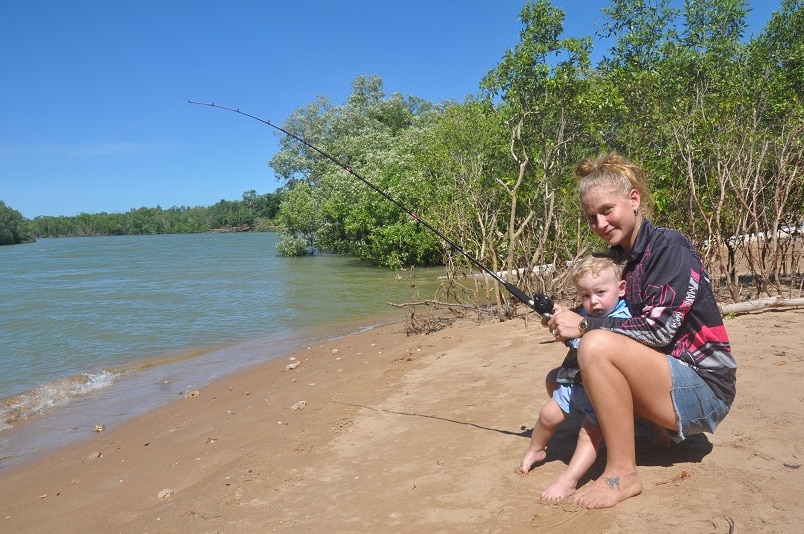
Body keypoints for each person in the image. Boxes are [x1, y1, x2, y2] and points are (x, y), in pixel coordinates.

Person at [545, 152, 737, 508]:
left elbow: (659, 331)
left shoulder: (669, 247)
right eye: (591, 217)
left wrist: (584, 326)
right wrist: (563, 316)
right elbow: (613, 311)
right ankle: (658, 431)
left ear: (633, 200)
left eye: (607, 210)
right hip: (667, 379)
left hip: (706, 391)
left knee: (595, 346)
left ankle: (622, 474)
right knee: (558, 378)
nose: (600, 223)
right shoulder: (617, 259)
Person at [520, 254, 631, 503]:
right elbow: (575, 320)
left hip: (604, 395)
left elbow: (590, 339)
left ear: (621, 289)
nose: (594, 302)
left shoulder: (624, 319)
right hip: (575, 385)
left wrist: (574, 332)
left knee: (588, 434)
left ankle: (569, 481)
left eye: (601, 292)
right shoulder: (584, 312)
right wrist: (558, 318)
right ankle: (536, 450)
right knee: (547, 415)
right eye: (585, 296)